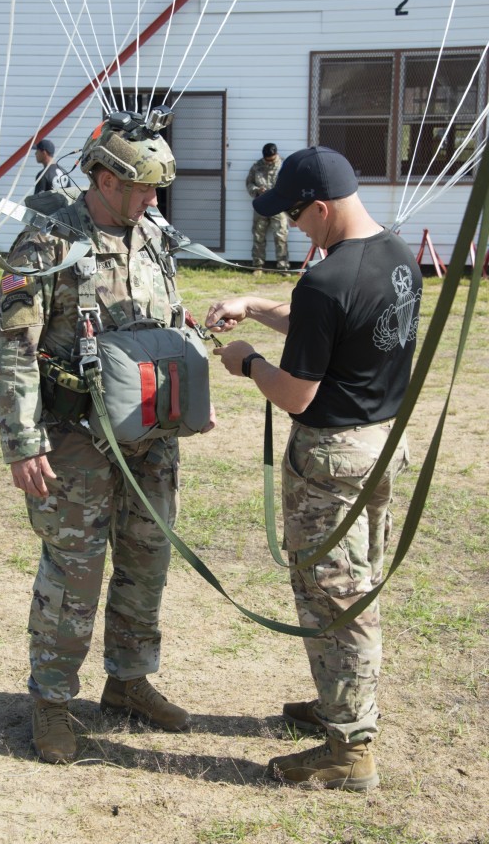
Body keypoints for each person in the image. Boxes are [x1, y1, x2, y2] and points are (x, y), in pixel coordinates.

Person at [0, 112, 215, 765]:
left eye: (155, 189)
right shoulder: (48, 241)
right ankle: (52, 702)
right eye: (142, 187)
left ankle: (129, 680)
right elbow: (12, 345)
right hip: (75, 438)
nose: (152, 200)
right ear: (104, 177)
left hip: (152, 433)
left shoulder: (153, 233)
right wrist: (22, 441)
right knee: (75, 570)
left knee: (147, 559)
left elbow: (167, 317)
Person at [206, 146, 422, 792]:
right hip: (379, 445)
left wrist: (245, 360)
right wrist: (254, 302)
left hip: (329, 464)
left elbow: (296, 392)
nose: (296, 226)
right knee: (353, 588)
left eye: (298, 215)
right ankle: (339, 705)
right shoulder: (396, 255)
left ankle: (349, 748)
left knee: (338, 602)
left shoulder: (327, 279)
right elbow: (332, 324)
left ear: (322, 207)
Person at [245, 142, 288, 274]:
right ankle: (257, 266)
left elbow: (290, 184)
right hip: (261, 205)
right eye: (266, 160)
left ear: (276, 155)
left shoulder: (285, 165)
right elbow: (249, 183)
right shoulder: (257, 166)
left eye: (272, 159)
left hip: (278, 206)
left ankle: (283, 267)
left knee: (281, 236)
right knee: (258, 236)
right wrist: (258, 190)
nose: (269, 162)